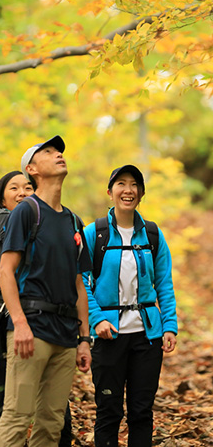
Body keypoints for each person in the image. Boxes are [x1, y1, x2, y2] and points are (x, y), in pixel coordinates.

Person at [0, 136, 92, 447]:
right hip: (31, 329)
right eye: (48, 152)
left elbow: (78, 284)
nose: (58, 154)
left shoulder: (74, 220)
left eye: (59, 150)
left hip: (65, 336)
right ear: (32, 169)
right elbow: (5, 271)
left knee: (51, 424)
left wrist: (84, 339)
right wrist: (20, 323)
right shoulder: (27, 211)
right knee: (16, 416)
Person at [82, 165, 177, 447]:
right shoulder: (94, 233)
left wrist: (169, 325)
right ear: (110, 192)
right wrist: (96, 319)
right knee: (109, 411)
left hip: (147, 336)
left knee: (141, 411)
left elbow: (164, 283)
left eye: (134, 184)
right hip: (108, 334)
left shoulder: (152, 234)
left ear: (141, 193)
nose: (128, 190)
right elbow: (81, 283)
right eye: (121, 184)